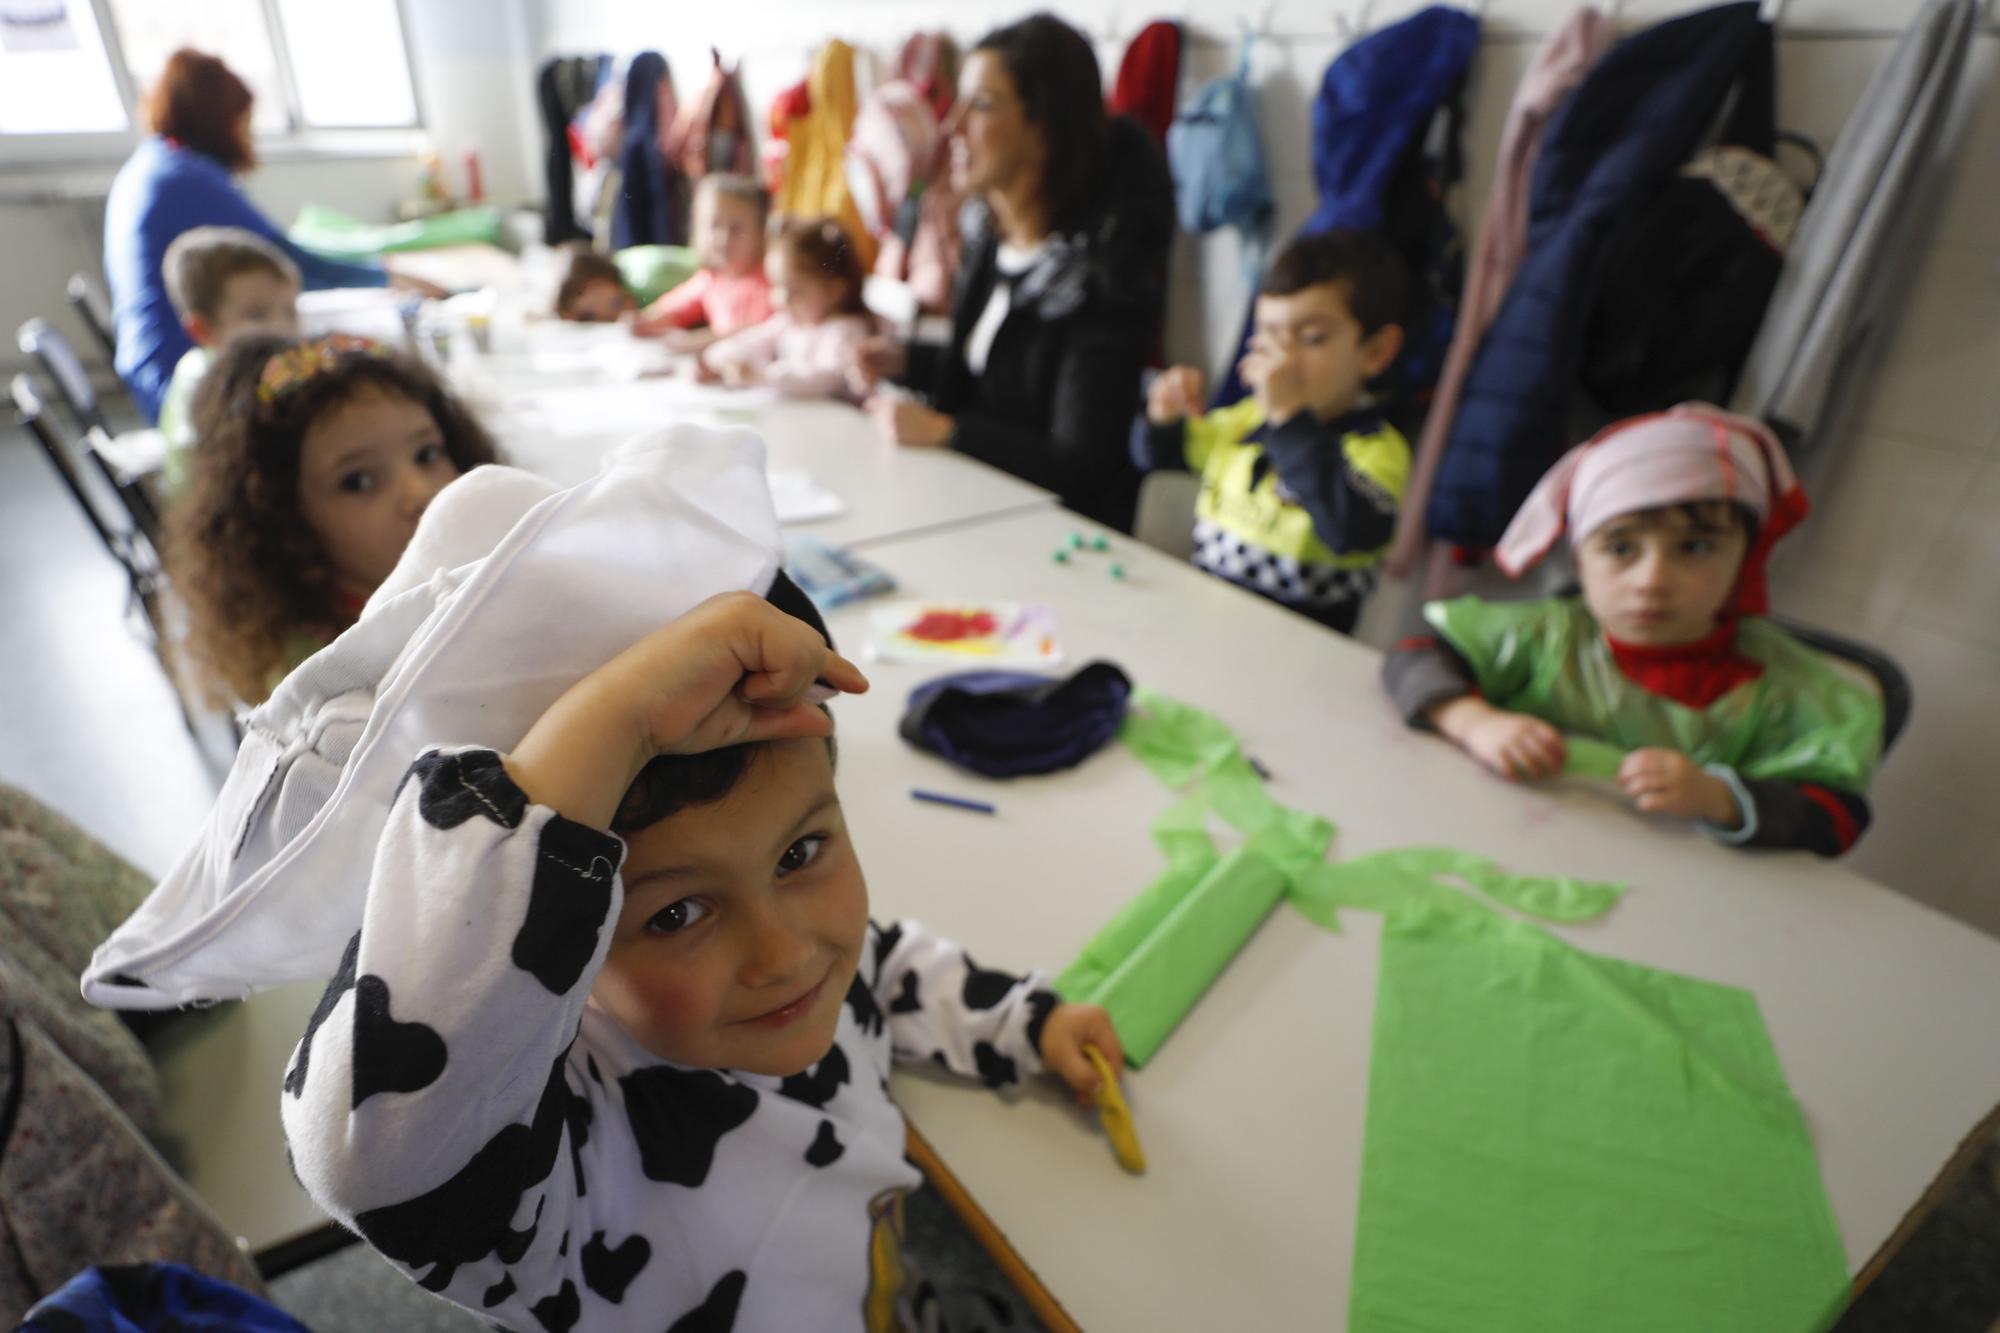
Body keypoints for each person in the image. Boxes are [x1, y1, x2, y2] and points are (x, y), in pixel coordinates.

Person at [274, 562, 1125, 1326]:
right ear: (559, 951)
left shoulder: (806, 966)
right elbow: (367, 1159)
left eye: (799, 853)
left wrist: (1025, 1021)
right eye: (678, 914)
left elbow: (887, 964)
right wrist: (621, 720)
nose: (784, 952)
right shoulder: (557, 1156)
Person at [1381, 404, 1883, 857]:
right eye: (1621, 549)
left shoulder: (1791, 693)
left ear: (1747, 559)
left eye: (1695, 549)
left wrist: (1720, 798)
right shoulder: (1544, 634)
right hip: (1500, 851)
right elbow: (1414, 656)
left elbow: (1837, 817)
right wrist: (1475, 723)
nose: (1652, 581)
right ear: (1578, 558)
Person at [848, 13, 1174, 532]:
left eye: (980, 105)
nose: (953, 126)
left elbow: (1081, 464)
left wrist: (947, 432)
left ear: (1042, 128)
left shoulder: (1104, 278)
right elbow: (999, 379)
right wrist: (909, 362)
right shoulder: (989, 239)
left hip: (1055, 537)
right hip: (978, 512)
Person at [103, 49, 441, 423]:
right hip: (185, 388)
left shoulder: (155, 163)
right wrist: (388, 276)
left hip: (156, 367)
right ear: (216, 119)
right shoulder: (184, 178)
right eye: (243, 121)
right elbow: (287, 262)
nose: (248, 133)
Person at [163, 333, 497, 705]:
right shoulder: (323, 683)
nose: (421, 492)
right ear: (289, 520)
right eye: (360, 481)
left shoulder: (475, 569)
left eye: (427, 454)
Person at [1133, 230, 1411, 635]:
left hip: (1300, 657)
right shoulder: (1245, 419)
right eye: (1268, 335)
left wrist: (1288, 416)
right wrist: (1163, 415)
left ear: (1375, 351)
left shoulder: (1377, 450)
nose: (1283, 358)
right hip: (1204, 628)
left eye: (1312, 337)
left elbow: (1352, 529)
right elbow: (1160, 457)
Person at [156, 226, 302, 494]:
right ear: (203, 330)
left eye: (290, 311)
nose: (283, 329)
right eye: (257, 316)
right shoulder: (217, 385)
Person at [699, 217, 881, 400]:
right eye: (776, 286)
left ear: (835, 291)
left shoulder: (848, 331)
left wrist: (761, 375)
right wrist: (722, 362)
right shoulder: (788, 322)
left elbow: (827, 379)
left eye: (795, 290)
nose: (781, 299)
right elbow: (751, 341)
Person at [628, 173, 774, 349]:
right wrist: (644, 321)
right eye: (714, 225)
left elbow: (755, 333)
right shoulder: (710, 279)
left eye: (737, 229)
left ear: (761, 234)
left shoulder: (770, 281)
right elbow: (673, 310)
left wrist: (695, 343)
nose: (723, 238)